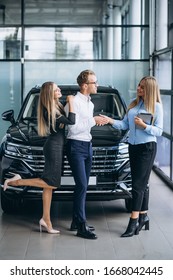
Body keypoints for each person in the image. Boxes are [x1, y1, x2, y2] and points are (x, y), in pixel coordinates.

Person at [3, 81, 75, 234]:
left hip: (57, 147)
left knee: (48, 187)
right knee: (52, 183)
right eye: (56, 90)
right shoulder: (50, 111)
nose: (60, 90)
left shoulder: (56, 106)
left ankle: (46, 220)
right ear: (50, 94)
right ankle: (15, 182)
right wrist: (72, 102)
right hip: (53, 148)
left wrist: (68, 101)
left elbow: (65, 108)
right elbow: (71, 121)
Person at [101, 76, 163, 237]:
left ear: (149, 89)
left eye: (142, 87)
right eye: (138, 86)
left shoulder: (156, 106)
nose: (139, 89)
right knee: (142, 183)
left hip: (147, 148)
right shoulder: (134, 104)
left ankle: (133, 221)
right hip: (133, 147)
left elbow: (159, 131)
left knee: (137, 186)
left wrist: (145, 126)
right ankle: (144, 216)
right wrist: (109, 120)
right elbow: (124, 125)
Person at [64, 69, 107, 240]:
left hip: (87, 145)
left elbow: (86, 126)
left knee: (83, 186)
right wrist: (93, 120)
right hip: (75, 146)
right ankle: (81, 226)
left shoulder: (90, 103)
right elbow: (72, 128)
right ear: (84, 85)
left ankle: (76, 220)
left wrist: (97, 121)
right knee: (81, 185)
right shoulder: (73, 102)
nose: (97, 85)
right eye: (94, 82)